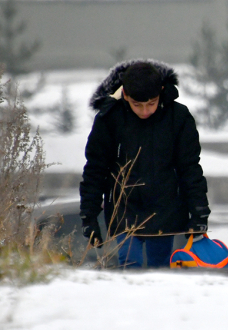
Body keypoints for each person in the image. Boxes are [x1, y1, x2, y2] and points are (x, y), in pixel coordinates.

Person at [80, 60, 210, 268]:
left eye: (151, 103)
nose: (145, 111)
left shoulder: (179, 117)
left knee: (160, 269)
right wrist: (89, 216)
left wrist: (199, 210)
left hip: (165, 210)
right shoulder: (109, 119)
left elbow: (189, 168)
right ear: (125, 95)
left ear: (161, 91)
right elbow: (95, 169)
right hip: (123, 210)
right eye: (137, 105)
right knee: (130, 264)